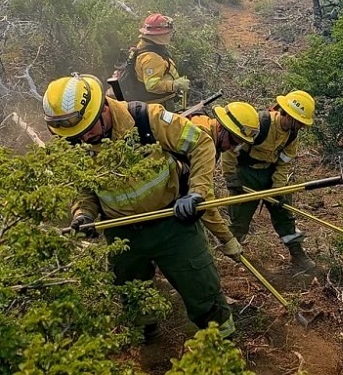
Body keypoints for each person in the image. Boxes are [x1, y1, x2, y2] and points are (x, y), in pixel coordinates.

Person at [44, 73, 234, 341]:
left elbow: (201, 144)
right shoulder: (74, 142)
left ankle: (222, 344)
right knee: (133, 294)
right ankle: (147, 338)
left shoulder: (148, 119)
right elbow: (83, 189)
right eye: (76, 135)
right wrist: (83, 213)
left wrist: (196, 192)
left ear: (104, 109)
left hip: (173, 223)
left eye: (88, 130)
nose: (85, 139)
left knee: (201, 287)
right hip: (122, 234)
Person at [221, 91, 316, 271]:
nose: (301, 126)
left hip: (270, 174)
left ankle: (297, 254)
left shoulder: (292, 135)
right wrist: (231, 177)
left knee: (284, 214)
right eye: (299, 122)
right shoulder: (260, 124)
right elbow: (230, 149)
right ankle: (230, 259)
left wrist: (278, 188)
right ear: (287, 114)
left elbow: (284, 163)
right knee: (239, 219)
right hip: (246, 174)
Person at [188, 102, 262, 262]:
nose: (233, 148)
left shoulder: (204, 125)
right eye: (234, 141)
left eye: (240, 144)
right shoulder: (202, 139)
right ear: (222, 128)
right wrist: (226, 238)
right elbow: (203, 200)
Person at [109, 13, 189, 111]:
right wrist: (175, 85)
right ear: (161, 35)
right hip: (158, 106)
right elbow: (152, 85)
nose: (170, 35)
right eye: (168, 33)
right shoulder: (152, 58)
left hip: (155, 103)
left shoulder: (145, 46)